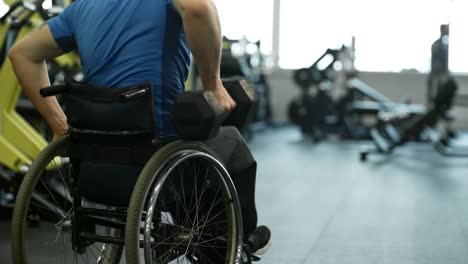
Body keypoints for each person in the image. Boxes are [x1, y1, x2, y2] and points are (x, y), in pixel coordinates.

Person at [8, 0, 270, 258]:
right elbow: (199, 8)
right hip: (154, 154)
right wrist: (213, 83)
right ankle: (239, 242)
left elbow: (21, 54)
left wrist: (59, 125)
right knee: (232, 144)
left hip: (92, 165)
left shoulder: (81, 7)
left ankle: (207, 235)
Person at [428, 24, 450, 105]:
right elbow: (436, 61)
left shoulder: (444, 45)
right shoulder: (437, 45)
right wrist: (440, 74)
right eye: (446, 29)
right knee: (435, 98)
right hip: (436, 75)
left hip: (440, 74)